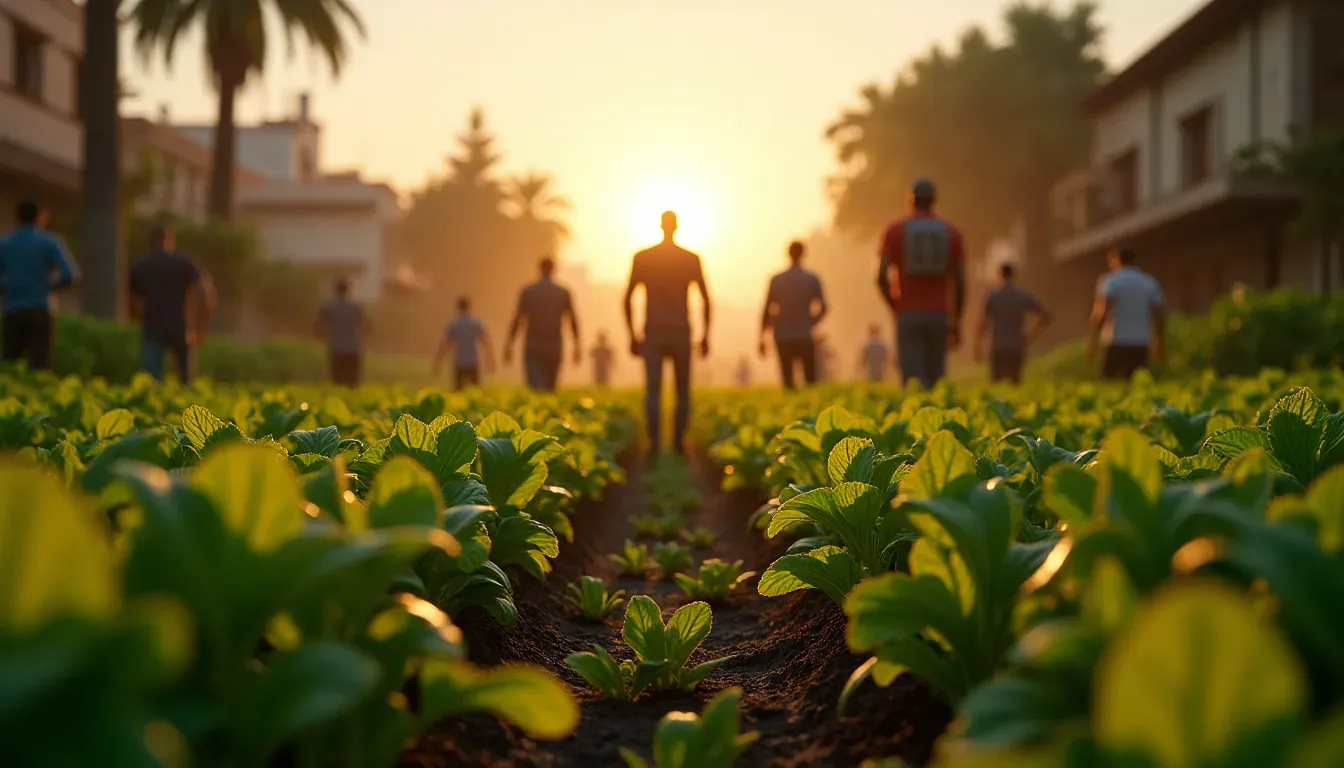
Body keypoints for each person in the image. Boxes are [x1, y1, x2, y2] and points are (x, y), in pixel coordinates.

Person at [624, 211, 711, 455]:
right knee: (683, 390)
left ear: (661, 226)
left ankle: (654, 443)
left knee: (653, 390)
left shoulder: (643, 258)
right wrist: (706, 335)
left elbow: (627, 297)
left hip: (653, 331)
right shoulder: (690, 259)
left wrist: (632, 334)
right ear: (676, 227)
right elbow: (706, 298)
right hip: (680, 331)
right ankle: (678, 443)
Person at [876, 178, 966, 389]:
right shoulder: (951, 233)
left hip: (908, 313)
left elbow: (880, 275)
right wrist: (956, 319)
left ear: (911, 200)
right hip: (939, 313)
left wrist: (893, 304)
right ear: (934, 201)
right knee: (936, 380)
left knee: (912, 381)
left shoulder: (895, 230)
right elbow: (960, 281)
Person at [129, 223, 215, 384]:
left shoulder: (141, 265)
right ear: (170, 240)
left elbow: (134, 303)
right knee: (187, 384)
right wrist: (201, 326)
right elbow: (206, 292)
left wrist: (138, 318)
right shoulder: (185, 263)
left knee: (150, 384)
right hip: (181, 328)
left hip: (153, 329)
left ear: (150, 241)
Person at [0, 200, 79, 370]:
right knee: (39, 366)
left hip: (12, 310)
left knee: (10, 365)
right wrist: (48, 287)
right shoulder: (49, 242)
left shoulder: (5, 244)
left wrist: (7, 288)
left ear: (17, 218)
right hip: (39, 308)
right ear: (38, 217)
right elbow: (69, 274)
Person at [1087, 247, 1166, 381]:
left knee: (1110, 385)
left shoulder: (1111, 281)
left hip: (1116, 342)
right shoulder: (1148, 282)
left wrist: (1092, 339)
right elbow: (1158, 314)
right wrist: (1160, 341)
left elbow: (1102, 312)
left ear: (1116, 260)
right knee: (1136, 385)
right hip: (1140, 343)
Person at [759, 240, 827, 390]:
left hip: (783, 335)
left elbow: (767, 309)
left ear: (788, 254)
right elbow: (823, 308)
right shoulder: (812, 279)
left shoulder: (777, 280)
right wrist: (810, 322)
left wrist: (762, 336)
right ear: (804, 254)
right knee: (810, 380)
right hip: (804, 334)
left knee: (788, 381)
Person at [505, 257, 580, 392]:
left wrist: (509, 343)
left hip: (533, 343)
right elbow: (572, 319)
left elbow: (518, 318)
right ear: (553, 270)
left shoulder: (528, 291)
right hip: (554, 343)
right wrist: (577, 344)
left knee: (534, 385)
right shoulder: (563, 292)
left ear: (539, 269)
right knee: (550, 385)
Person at [975, 263, 1052, 384]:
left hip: (998, 348)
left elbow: (982, 324)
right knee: (1015, 386)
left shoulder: (992, 297)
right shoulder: (1022, 296)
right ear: (1013, 275)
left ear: (999, 276)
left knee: (997, 387)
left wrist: (978, 347)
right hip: (1016, 347)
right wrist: (1030, 334)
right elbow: (1046, 316)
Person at [315, 277, 369, 387]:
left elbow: (318, 325)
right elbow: (367, 325)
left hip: (336, 347)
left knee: (337, 381)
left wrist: (322, 338)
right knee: (352, 382)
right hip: (353, 348)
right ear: (349, 290)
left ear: (336, 290)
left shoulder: (329, 306)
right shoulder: (356, 306)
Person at [436, 296, 494, 390]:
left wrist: (439, 360)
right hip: (473, 360)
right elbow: (486, 341)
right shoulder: (475, 323)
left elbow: (445, 343)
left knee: (458, 391)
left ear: (458, 307)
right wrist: (490, 358)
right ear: (469, 307)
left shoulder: (454, 324)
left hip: (459, 361)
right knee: (476, 391)